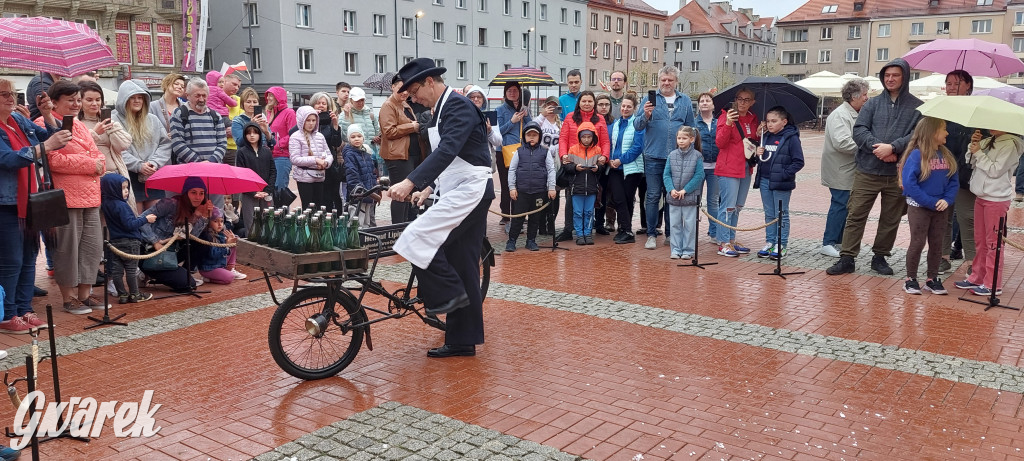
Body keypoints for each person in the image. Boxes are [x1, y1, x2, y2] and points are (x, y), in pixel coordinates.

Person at [388, 58, 494, 358]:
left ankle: (449, 297)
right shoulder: (440, 109)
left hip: (470, 191)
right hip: (457, 189)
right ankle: (462, 339)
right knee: (462, 264)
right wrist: (429, 187)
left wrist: (410, 182)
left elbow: (449, 150)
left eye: (414, 91)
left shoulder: (458, 106)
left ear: (430, 81)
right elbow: (458, 156)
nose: (413, 98)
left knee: (414, 238)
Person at [827, 58, 922, 276]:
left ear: (905, 77)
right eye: (887, 75)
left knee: (890, 218)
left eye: (895, 75)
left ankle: (880, 256)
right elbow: (859, 130)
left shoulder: (917, 107)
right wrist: (878, 149)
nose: (890, 79)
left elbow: (917, 136)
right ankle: (848, 258)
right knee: (856, 214)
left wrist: (894, 148)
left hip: (897, 174)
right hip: (867, 171)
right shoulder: (871, 104)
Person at [0, 77, 71, 334]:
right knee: (12, 261)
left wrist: (47, 113)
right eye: (4, 94)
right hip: (7, 203)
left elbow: (57, 138)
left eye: (14, 93)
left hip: (32, 200)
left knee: (30, 258)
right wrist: (44, 147)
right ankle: (7, 314)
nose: (11, 98)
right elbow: (8, 159)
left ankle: (24, 308)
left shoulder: (19, 120)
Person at [37, 80, 107, 315]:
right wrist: (91, 165)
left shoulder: (78, 124)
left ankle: (85, 294)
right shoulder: (43, 123)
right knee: (68, 248)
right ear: (54, 102)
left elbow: (98, 154)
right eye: (71, 100)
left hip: (91, 194)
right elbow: (53, 159)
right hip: (65, 196)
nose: (76, 104)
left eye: (78, 99)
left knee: (92, 246)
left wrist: (97, 164)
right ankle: (68, 297)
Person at [954, 129, 1024, 296]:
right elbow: (969, 162)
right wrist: (974, 145)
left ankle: (993, 284)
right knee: (980, 241)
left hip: (996, 199)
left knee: (993, 243)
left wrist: (979, 153)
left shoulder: (1010, 145)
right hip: (981, 195)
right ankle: (976, 277)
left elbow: (995, 170)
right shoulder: (989, 140)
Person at [635, 66, 695, 249]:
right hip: (653, 156)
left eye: (670, 80)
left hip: (677, 158)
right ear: (659, 81)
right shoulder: (648, 100)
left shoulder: (684, 100)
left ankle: (671, 234)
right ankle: (651, 234)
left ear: (676, 81)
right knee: (652, 196)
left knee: (673, 196)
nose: (666, 83)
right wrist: (645, 114)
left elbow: (691, 127)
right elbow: (637, 126)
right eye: (663, 80)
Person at [899, 117, 958, 295]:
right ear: (933, 133)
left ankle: (932, 279)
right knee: (917, 243)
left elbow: (954, 181)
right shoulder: (917, 155)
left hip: (940, 208)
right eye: (944, 129)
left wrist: (947, 200)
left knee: (937, 243)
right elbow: (910, 185)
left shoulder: (946, 154)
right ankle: (910, 279)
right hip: (919, 208)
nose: (947, 133)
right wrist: (931, 202)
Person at [820, 78, 870, 258]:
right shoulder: (840, 115)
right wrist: (867, 148)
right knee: (840, 205)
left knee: (846, 206)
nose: (866, 98)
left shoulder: (853, 113)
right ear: (854, 96)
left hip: (848, 169)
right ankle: (829, 242)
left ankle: (840, 241)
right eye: (864, 95)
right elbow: (842, 142)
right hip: (839, 170)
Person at [140, 177, 214, 291]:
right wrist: (154, 241)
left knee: (206, 238)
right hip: (151, 252)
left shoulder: (196, 209)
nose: (198, 197)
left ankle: (184, 272)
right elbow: (141, 220)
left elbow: (192, 237)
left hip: (172, 251)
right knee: (186, 286)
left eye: (201, 193)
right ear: (186, 193)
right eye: (193, 192)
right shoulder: (170, 204)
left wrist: (203, 216)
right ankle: (147, 272)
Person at [556, 91, 610, 241]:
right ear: (579, 102)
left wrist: (604, 157)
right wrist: (563, 156)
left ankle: (592, 228)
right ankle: (569, 229)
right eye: (584, 101)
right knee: (571, 197)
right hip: (573, 162)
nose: (587, 104)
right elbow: (563, 139)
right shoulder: (569, 117)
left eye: (590, 101)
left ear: (594, 103)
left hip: (593, 162)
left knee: (594, 196)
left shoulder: (599, 119)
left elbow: (605, 141)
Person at [754, 106, 805, 261]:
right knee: (769, 213)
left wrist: (784, 174)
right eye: (768, 121)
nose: (770, 124)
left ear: (784, 121)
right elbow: (760, 160)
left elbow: (799, 161)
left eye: (774, 121)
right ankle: (770, 241)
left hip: (781, 183)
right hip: (765, 180)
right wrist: (758, 154)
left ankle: (781, 244)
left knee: (781, 214)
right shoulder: (766, 136)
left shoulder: (791, 137)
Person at [714, 87, 759, 257]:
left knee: (738, 206)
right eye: (740, 99)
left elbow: (752, 143)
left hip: (746, 168)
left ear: (752, 102)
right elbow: (720, 142)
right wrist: (727, 124)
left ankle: (731, 240)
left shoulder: (753, 119)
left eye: (747, 100)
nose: (742, 102)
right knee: (728, 207)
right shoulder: (726, 116)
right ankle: (723, 242)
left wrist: (760, 135)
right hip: (728, 168)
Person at [116, 79, 173, 211]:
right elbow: (116, 149)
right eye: (133, 97)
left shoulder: (153, 119)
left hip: (153, 175)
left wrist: (154, 163)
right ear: (124, 99)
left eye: (140, 97)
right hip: (128, 177)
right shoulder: (115, 120)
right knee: (136, 219)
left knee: (155, 219)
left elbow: (165, 144)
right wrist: (138, 165)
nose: (137, 101)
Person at [170, 78, 227, 209]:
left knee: (215, 211)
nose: (201, 99)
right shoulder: (179, 114)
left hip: (214, 172)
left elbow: (222, 143)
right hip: (190, 173)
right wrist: (199, 165)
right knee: (191, 211)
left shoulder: (215, 116)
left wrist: (211, 162)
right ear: (188, 95)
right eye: (197, 95)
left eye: (204, 95)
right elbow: (178, 144)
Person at [942, 70, 978, 275]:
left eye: (957, 83)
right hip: (943, 173)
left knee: (967, 217)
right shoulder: (941, 111)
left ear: (968, 86)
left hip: (966, 174)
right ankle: (943, 257)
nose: (951, 87)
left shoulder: (976, 111)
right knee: (943, 217)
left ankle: (972, 260)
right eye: (948, 83)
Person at [100, 174, 156, 303]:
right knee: (131, 270)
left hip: (115, 242)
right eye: (122, 188)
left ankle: (122, 295)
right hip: (130, 241)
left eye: (127, 188)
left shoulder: (107, 203)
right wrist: (145, 219)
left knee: (117, 271)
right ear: (112, 189)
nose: (126, 191)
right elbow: (129, 225)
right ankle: (135, 294)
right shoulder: (122, 206)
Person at [381, 75, 429, 224]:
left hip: (413, 154)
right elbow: (388, 131)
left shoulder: (405, 105)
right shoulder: (388, 105)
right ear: (393, 87)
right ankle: (397, 230)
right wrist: (412, 126)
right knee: (400, 194)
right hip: (398, 157)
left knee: (411, 193)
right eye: (401, 88)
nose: (404, 93)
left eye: (406, 89)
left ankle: (408, 225)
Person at [506, 121, 555, 252]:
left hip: (539, 191)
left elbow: (551, 170)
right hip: (521, 191)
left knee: (535, 218)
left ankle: (531, 241)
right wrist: (512, 188)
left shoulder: (545, 151)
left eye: (535, 135)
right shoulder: (519, 151)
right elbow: (512, 170)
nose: (532, 137)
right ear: (524, 136)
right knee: (518, 218)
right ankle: (511, 241)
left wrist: (551, 187)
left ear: (539, 136)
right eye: (529, 135)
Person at [79, 81, 132, 195]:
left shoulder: (109, 122)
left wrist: (112, 128)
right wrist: (94, 133)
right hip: (91, 178)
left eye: (98, 100)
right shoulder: (77, 123)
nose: (95, 103)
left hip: (115, 176)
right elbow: (78, 148)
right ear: (79, 101)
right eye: (89, 100)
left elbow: (124, 145)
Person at [607, 93, 645, 244]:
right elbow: (612, 144)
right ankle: (625, 229)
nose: (625, 109)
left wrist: (620, 160)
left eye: (629, 106)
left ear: (634, 108)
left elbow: (637, 147)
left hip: (632, 168)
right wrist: (611, 159)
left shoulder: (637, 124)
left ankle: (626, 230)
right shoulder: (616, 124)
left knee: (627, 199)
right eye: (623, 106)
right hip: (615, 168)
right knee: (618, 198)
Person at [663, 126, 705, 259]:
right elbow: (666, 174)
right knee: (675, 224)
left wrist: (685, 190)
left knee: (689, 225)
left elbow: (699, 175)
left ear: (691, 139)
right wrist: (671, 189)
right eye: (679, 138)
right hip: (674, 197)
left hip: (690, 197)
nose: (681, 141)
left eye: (684, 138)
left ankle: (688, 249)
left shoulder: (697, 156)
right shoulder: (672, 155)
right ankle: (675, 249)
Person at [562, 121, 607, 245]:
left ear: (593, 137)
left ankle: (587, 233)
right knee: (577, 212)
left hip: (592, 187)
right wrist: (575, 167)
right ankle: (579, 234)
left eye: (589, 137)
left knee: (589, 212)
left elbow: (602, 167)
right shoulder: (573, 149)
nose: (586, 139)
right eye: (584, 136)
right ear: (579, 136)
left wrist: (598, 168)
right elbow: (567, 167)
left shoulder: (598, 150)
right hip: (577, 187)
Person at [496, 81, 531, 226]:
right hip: (504, 152)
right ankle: (505, 215)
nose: (512, 93)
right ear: (505, 93)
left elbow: (530, 129)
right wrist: (512, 121)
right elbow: (498, 132)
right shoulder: (500, 110)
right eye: (509, 90)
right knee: (506, 184)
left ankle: (519, 214)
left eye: (515, 90)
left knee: (520, 184)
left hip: (520, 151)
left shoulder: (524, 109)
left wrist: (527, 116)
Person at [290, 106, 333, 209]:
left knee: (319, 206)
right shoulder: (295, 137)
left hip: (319, 175)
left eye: (314, 120)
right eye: (308, 120)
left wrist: (326, 163)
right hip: (304, 177)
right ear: (302, 121)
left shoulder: (320, 136)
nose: (311, 123)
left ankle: (317, 225)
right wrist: (315, 160)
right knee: (308, 206)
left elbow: (329, 154)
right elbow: (295, 159)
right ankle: (307, 225)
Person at [235, 122, 276, 232]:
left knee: (269, 223)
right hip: (249, 194)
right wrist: (253, 192)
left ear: (260, 135)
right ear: (245, 135)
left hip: (266, 192)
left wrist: (268, 190)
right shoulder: (241, 153)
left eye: (255, 133)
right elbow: (241, 175)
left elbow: (273, 171)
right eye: (248, 133)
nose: (252, 135)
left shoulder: (267, 152)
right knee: (251, 224)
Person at [532, 96, 562, 235]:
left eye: (554, 106)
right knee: (541, 193)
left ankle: (551, 223)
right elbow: (530, 128)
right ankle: (541, 224)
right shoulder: (540, 121)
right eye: (549, 105)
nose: (551, 109)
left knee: (554, 193)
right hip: (541, 160)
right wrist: (542, 114)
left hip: (555, 162)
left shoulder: (560, 124)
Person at [694, 92, 719, 243]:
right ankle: (693, 230)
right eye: (701, 100)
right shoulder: (694, 123)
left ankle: (714, 232)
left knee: (713, 201)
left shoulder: (719, 123)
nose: (704, 103)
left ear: (713, 104)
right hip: (698, 167)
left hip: (715, 167)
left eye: (707, 100)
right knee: (695, 200)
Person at [343, 125, 379, 226]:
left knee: (367, 221)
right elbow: (352, 175)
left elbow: (372, 173)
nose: (357, 139)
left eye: (359, 136)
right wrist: (360, 191)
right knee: (357, 221)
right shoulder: (350, 154)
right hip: (358, 195)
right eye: (353, 137)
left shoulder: (366, 154)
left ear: (363, 137)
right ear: (349, 139)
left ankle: (366, 240)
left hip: (369, 193)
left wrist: (375, 189)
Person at [197, 207, 243, 284]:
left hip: (219, 265)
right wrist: (226, 245)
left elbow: (230, 242)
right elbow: (213, 254)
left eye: (221, 221)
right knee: (230, 277)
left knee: (233, 242)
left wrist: (234, 238)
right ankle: (208, 278)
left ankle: (230, 268)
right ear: (209, 222)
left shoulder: (220, 233)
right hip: (209, 268)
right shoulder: (206, 236)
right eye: (215, 221)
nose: (219, 224)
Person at [266, 86, 297, 191]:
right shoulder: (269, 113)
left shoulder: (289, 112)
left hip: (282, 156)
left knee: (279, 189)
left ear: (278, 97)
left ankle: (282, 208)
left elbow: (293, 134)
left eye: (271, 95)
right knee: (270, 189)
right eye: (268, 95)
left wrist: (277, 144)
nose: (269, 98)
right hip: (269, 155)